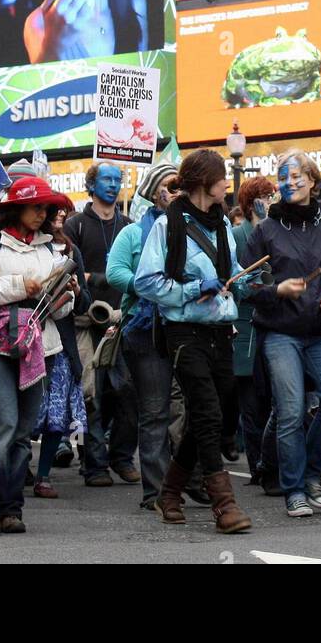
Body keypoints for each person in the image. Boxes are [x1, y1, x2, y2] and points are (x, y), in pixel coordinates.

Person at [134, 149, 254, 533]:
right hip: (183, 333)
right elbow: (146, 282)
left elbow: (233, 273)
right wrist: (192, 288)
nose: (227, 184)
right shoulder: (164, 226)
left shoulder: (221, 224)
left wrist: (256, 281)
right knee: (207, 412)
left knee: (209, 416)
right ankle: (224, 503)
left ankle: (168, 493)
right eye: (222, 177)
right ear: (206, 182)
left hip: (221, 330)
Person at [0, 176, 77, 535]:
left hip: (39, 347)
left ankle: (12, 507)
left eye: (46, 208)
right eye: (36, 206)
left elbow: (59, 313)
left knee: (24, 432)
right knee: (4, 423)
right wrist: (17, 286)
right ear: (16, 207)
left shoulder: (51, 250)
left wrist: (64, 297)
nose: (43, 214)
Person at [244, 151, 321, 517]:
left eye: (296, 176)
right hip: (280, 333)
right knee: (289, 410)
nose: (289, 183)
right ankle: (294, 488)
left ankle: (310, 471)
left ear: (313, 182)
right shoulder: (264, 231)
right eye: (283, 177)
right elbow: (247, 286)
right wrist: (276, 291)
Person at [104, 163, 178, 510]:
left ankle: (191, 480)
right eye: (170, 184)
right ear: (154, 192)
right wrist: (149, 285)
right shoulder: (134, 233)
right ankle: (157, 491)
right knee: (155, 411)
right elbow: (114, 272)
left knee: (197, 409)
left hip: (188, 328)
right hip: (145, 330)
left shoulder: (195, 227)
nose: (177, 190)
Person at [64, 161, 139, 487]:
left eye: (117, 179)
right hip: (85, 321)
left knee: (127, 391)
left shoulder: (129, 224)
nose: (113, 184)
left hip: (121, 320)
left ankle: (121, 457)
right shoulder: (76, 225)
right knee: (91, 395)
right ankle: (94, 463)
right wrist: (92, 278)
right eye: (106, 179)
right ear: (91, 185)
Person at [30, 207, 91, 498]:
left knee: (55, 414)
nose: (60, 215)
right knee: (27, 413)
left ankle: (43, 475)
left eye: (64, 211)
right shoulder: (27, 247)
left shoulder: (70, 251)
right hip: (27, 341)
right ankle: (18, 468)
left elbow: (85, 304)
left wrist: (77, 291)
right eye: (55, 210)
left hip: (61, 344)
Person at [231, 177, 279, 493]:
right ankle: (257, 466)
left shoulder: (279, 232)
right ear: (253, 202)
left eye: (273, 194)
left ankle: (272, 462)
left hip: (276, 323)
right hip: (246, 325)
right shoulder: (237, 235)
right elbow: (237, 280)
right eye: (266, 196)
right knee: (250, 402)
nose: (273, 200)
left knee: (273, 398)